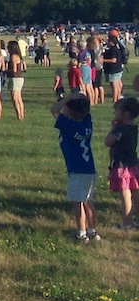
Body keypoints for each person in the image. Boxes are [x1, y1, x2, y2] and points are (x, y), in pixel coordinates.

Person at [52, 94, 97, 242]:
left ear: (70, 111)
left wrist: (68, 97)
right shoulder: (87, 122)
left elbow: (54, 110)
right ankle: (92, 230)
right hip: (89, 168)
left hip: (76, 170)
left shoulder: (69, 124)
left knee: (78, 203)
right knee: (88, 201)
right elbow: (85, 111)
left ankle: (81, 233)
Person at [104, 96, 139, 231]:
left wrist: (113, 129)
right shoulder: (133, 127)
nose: (115, 114)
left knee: (125, 195)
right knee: (136, 194)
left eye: (117, 111)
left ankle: (126, 223)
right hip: (134, 164)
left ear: (125, 113)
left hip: (121, 166)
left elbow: (108, 142)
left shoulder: (120, 130)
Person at [101, 29, 127, 102]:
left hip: (113, 68)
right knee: (118, 83)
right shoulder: (119, 46)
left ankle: (115, 99)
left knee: (114, 84)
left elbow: (113, 60)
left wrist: (102, 60)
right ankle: (118, 97)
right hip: (118, 66)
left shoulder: (113, 49)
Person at [6, 40, 27, 120]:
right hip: (20, 77)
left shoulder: (13, 56)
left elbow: (14, 69)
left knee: (15, 98)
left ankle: (19, 116)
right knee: (19, 98)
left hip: (15, 78)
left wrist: (4, 71)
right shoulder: (19, 56)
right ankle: (22, 115)